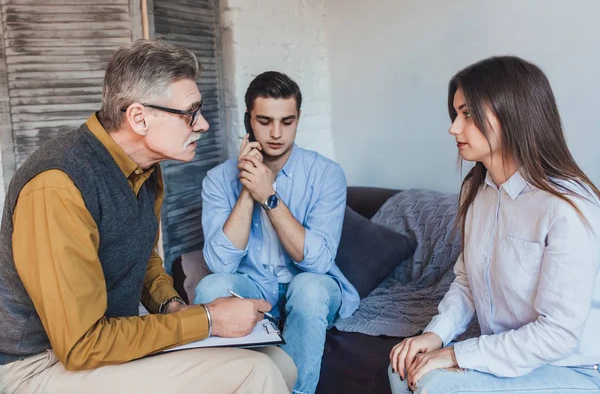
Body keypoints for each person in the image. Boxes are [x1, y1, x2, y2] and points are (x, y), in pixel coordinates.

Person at [0, 39, 296, 394]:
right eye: (190, 113)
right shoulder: (57, 187)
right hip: (37, 364)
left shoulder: (143, 169)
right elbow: (81, 345)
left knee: (282, 365)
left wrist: (171, 305)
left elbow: (140, 257)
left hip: (100, 341)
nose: (202, 124)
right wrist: (206, 319)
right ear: (139, 117)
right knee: (255, 373)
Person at [388, 56, 600, 394]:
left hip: (572, 367)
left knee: (438, 384)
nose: (454, 127)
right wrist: (435, 334)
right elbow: (467, 281)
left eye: (468, 114)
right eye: (456, 113)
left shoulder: (567, 207)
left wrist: (457, 354)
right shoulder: (476, 191)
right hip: (506, 354)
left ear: (513, 114)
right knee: (402, 369)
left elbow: (558, 334)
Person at [194, 71, 360, 394]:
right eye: (265, 121)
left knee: (308, 287)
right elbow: (221, 265)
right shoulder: (216, 180)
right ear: (248, 122)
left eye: (287, 122)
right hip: (254, 286)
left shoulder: (327, 175)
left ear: (298, 119)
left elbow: (318, 261)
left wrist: (269, 197)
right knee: (209, 287)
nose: (275, 133)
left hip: (313, 287)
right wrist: (249, 187)